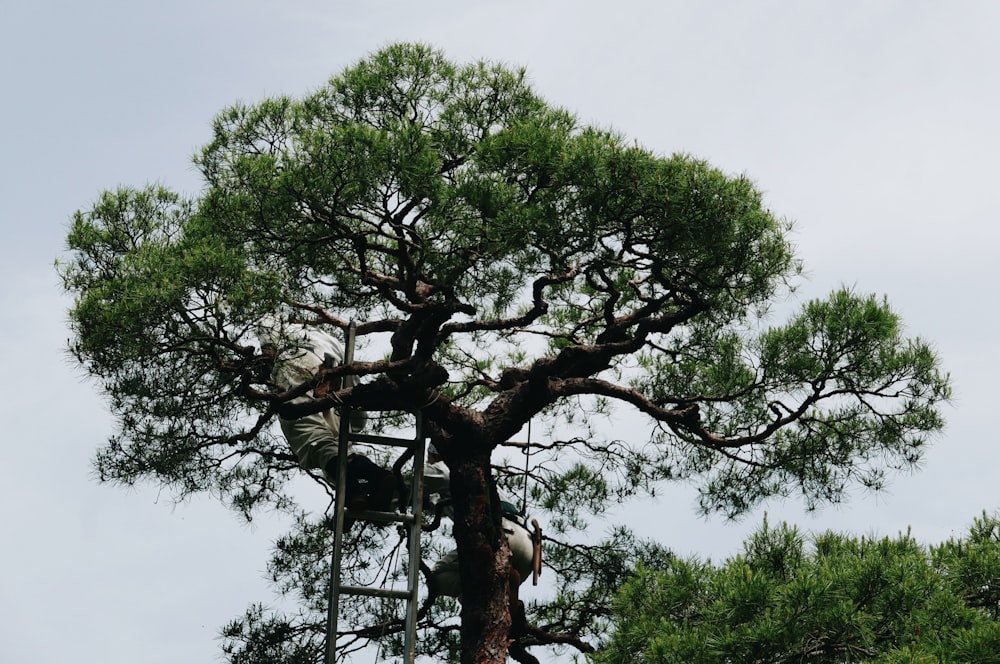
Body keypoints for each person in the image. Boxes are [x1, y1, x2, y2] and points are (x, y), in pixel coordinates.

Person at [257, 316, 396, 512]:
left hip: (296, 362)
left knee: (308, 432)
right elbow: (351, 373)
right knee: (335, 436)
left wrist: (265, 378)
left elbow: (268, 354)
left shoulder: (271, 320)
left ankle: (366, 481)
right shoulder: (325, 336)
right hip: (334, 367)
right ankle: (359, 488)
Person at [422, 444, 535, 599]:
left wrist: (392, 492)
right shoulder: (477, 476)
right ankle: (509, 597)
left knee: (436, 578)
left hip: (499, 536)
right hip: (528, 549)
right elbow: (433, 501)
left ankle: (481, 600)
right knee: (488, 595)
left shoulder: (446, 468)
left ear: (434, 455)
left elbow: (411, 483)